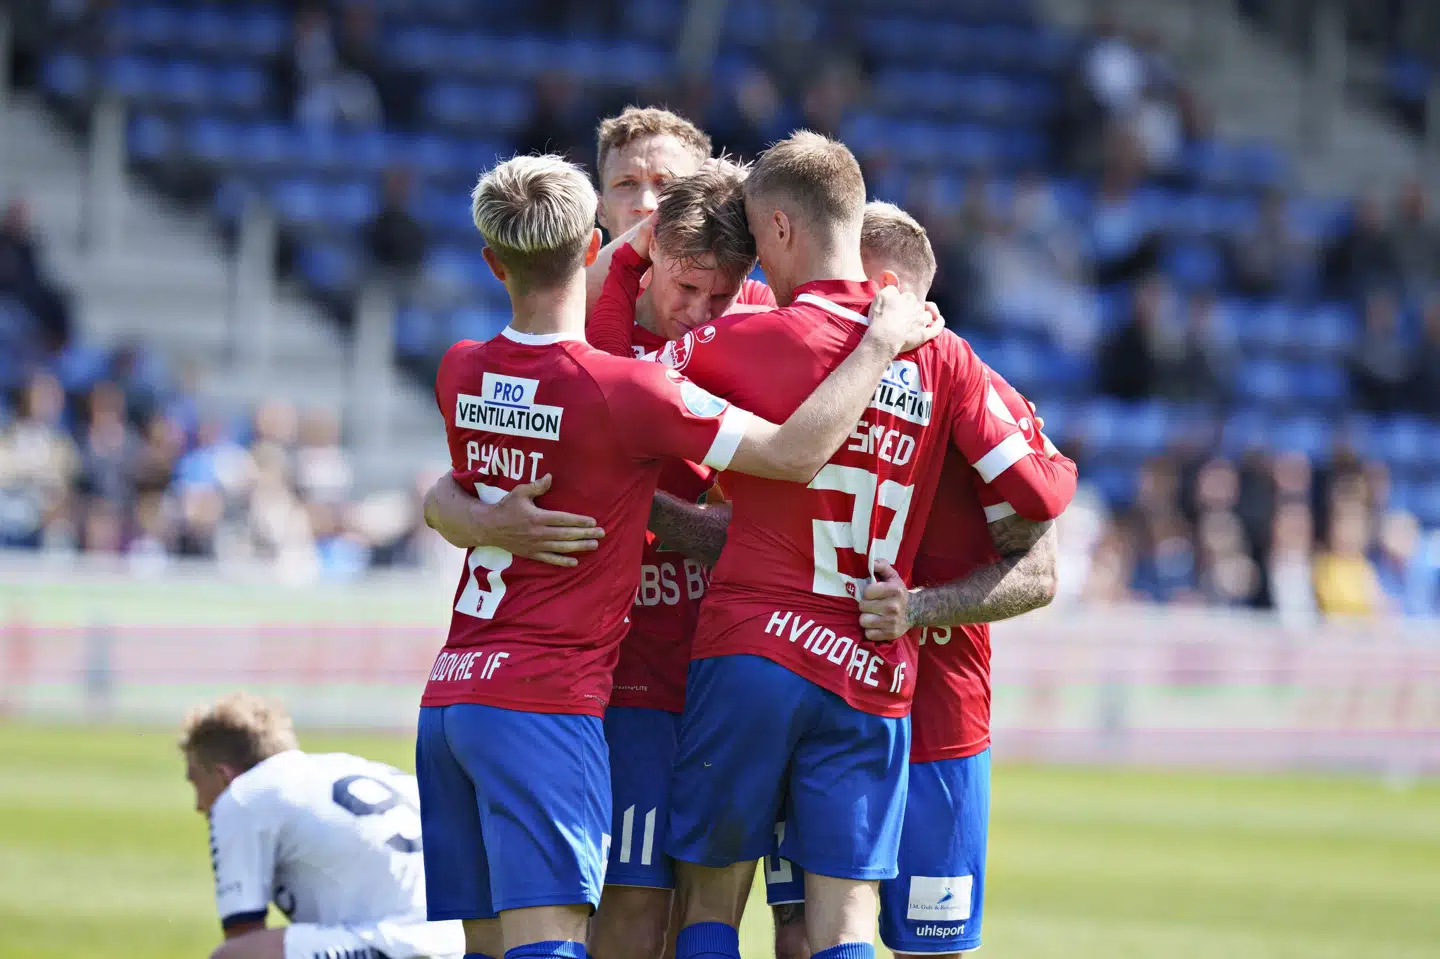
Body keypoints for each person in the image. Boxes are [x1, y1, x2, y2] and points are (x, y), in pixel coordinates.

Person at [415, 153, 941, 959]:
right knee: (609, 923)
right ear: (620, 251)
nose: (699, 313)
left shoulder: (462, 365)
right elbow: (792, 454)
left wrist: (479, 515)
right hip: (581, 688)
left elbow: (446, 490)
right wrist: (880, 340)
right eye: (683, 286)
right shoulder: (624, 383)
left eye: (718, 296)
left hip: (477, 686)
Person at [622, 131, 1076, 959]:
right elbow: (1042, 490)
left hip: (753, 648)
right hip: (871, 665)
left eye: (758, 241)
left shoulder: (754, 340)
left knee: (713, 897)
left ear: (784, 231)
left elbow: (620, 384)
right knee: (844, 921)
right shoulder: (941, 353)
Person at [179, 692, 464, 959]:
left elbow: (242, 935)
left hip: (402, 942)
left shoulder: (241, 797)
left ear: (223, 774)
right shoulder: (345, 766)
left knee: (234, 956)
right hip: (460, 938)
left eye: (194, 780)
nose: (198, 805)